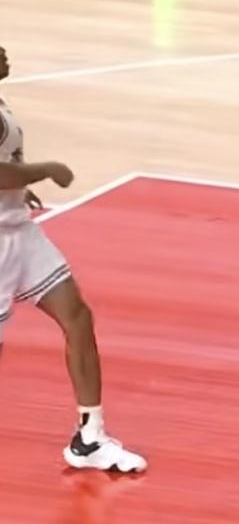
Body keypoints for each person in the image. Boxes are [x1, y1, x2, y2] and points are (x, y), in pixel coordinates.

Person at [0, 45, 147, 473]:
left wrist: (19, 188)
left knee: (77, 317)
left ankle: (90, 438)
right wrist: (45, 169)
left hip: (19, 232)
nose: (5, 53)